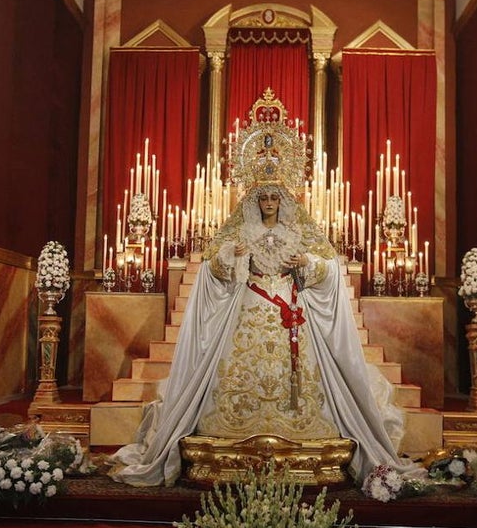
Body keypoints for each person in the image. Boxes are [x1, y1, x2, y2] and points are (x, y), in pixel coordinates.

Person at [110, 176, 422, 489]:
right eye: (264, 198)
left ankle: (303, 429)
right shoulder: (240, 230)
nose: (269, 203)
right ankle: (232, 430)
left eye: (274, 197)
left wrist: (306, 262)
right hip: (250, 302)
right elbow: (213, 265)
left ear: (282, 201)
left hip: (290, 306)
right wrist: (232, 255)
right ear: (255, 202)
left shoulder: (297, 230)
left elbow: (328, 269)